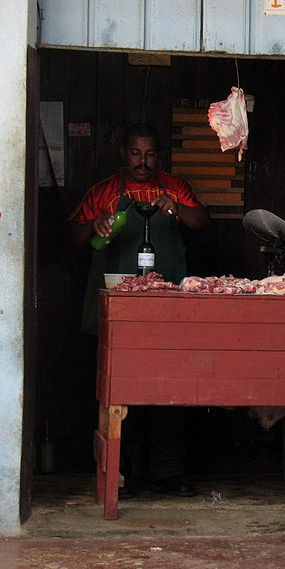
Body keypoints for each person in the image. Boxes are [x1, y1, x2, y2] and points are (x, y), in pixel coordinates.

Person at [68, 123, 209, 497]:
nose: (142, 161)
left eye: (149, 154)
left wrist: (177, 208)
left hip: (169, 307)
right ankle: (122, 469)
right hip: (120, 311)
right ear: (123, 153)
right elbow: (74, 238)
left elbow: (201, 222)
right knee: (120, 387)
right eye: (135, 153)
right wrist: (95, 225)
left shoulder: (175, 186)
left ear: (158, 155)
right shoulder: (102, 193)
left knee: (170, 387)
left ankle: (167, 471)